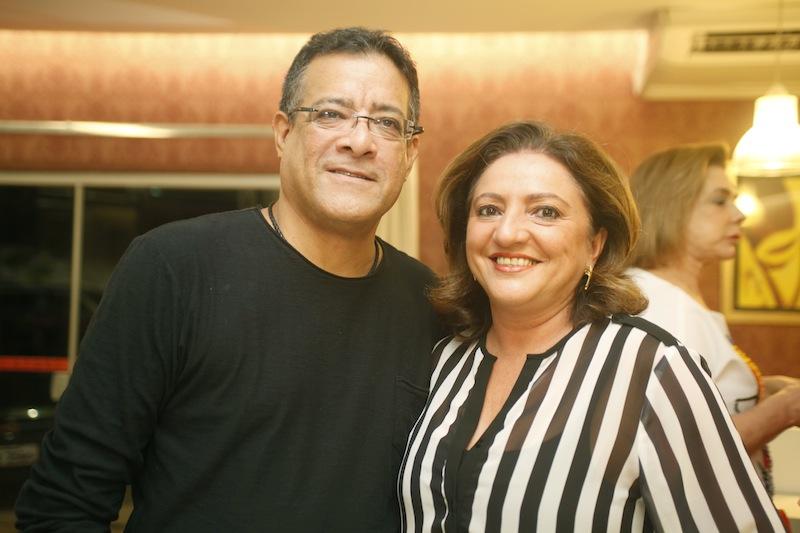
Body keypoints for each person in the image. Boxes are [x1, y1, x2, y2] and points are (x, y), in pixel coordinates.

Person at [15, 27, 442, 532]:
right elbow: (63, 506)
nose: (359, 141)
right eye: (330, 114)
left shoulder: (430, 305)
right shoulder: (172, 268)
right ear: (283, 133)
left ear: (409, 153)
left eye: (387, 123)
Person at [399, 121, 784, 531]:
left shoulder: (653, 372)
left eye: (545, 212)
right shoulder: (445, 359)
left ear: (595, 245)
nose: (507, 232)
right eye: (488, 210)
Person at [626, 144, 800, 497]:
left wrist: (764, 388)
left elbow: (700, 395)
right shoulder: (660, 306)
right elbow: (683, 449)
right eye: (720, 201)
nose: (739, 214)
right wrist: (785, 409)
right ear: (671, 206)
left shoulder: (673, 298)